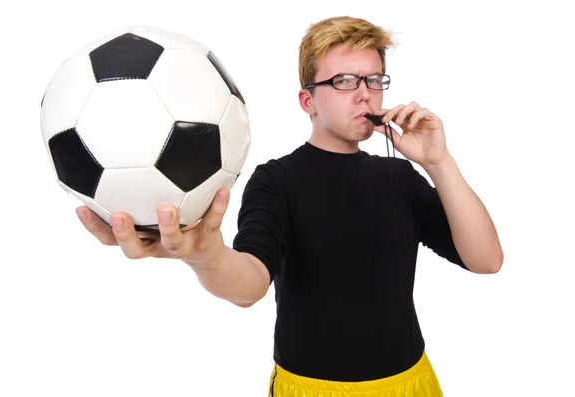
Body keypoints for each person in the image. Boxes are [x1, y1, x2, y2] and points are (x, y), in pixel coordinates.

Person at [75, 15, 504, 397]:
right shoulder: (277, 180)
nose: (364, 95)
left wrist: (438, 162)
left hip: (410, 383)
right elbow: (249, 283)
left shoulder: (400, 177)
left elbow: (486, 259)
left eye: (374, 80)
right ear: (308, 102)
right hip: (309, 388)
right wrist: (204, 256)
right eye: (344, 81)